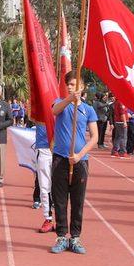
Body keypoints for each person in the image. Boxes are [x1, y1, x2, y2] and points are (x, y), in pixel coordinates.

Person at [50, 72, 98, 254]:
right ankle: (61, 236)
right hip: (60, 159)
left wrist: (80, 155)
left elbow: (94, 137)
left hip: (80, 161)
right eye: (68, 84)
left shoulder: (88, 110)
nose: (70, 87)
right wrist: (70, 98)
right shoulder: (60, 103)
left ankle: (75, 237)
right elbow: (54, 111)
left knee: (77, 201)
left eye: (73, 84)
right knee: (60, 200)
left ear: (82, 87)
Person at [35, 123, 54, 233]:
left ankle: (62, 221)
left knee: (61, 187)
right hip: (43, 149)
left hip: (61, 148)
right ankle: (48, 218)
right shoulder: (38, 107)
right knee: (44, 187)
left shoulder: (65, 105)